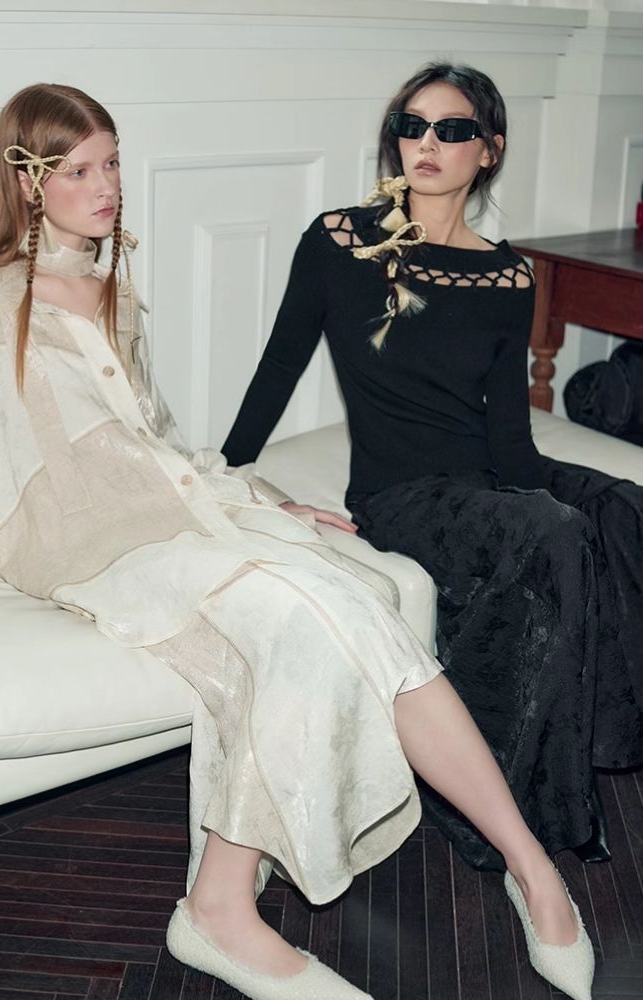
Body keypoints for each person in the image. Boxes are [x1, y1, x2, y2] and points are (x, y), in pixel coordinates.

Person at [0, 82, 594, 1000]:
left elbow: (157, 440)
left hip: (182, 512)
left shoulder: (114, 291)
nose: (107, 186)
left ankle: (528, 872)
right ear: (29, 182)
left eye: (112, 163)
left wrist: (264, 499)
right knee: (308, 608)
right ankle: (224, 913)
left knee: (362, 596)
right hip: (91, 540)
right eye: (80, 170)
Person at [222, 61, 643, 876]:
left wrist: (557, 494)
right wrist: (230, 473)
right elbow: (279, 366)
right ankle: (529, 810)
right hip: (402, 493)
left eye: (452, 130)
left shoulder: (508, 274)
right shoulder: (340, 241)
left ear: (490, 149)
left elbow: (510, 434)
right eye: (412, 126)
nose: (427, 143)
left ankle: (595, 748)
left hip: (486, 474)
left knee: (623, 507)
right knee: (553, 530)